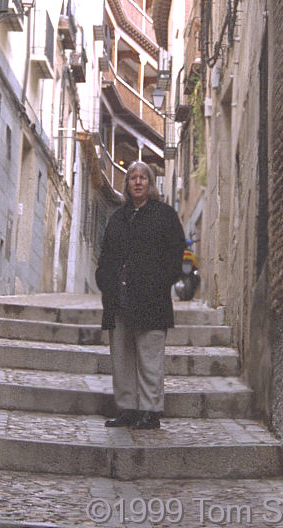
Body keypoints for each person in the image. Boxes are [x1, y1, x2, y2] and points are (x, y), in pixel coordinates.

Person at [96, 160, 185, 429]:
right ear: (127, 184)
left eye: (142, 178)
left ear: (150, 184)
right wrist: (105, 282)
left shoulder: (164, 215)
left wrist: (160, 283)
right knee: (121, 358)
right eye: (133, 178)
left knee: (149, 358)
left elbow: (175, 253)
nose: (137, 182)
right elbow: (107, 255)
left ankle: (150, 410)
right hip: (119, 301)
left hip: (151, 301)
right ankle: (127, 408)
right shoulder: (118, 218)